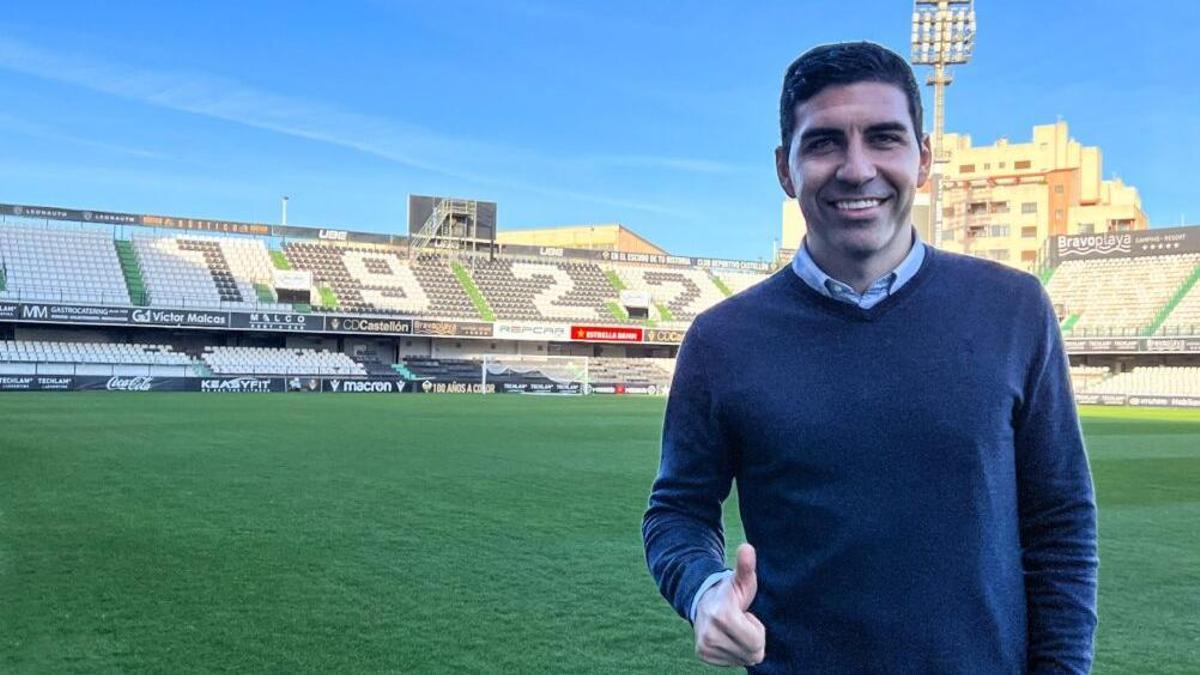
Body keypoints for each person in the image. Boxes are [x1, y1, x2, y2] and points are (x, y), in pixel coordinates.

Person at [642, 41, 1098, 673]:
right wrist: (702, 589)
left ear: (923, 158)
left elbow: (1062, 525)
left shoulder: (1014, 310)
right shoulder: (722, 339)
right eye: (824, 142)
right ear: (785, 168)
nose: (857, 169)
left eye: (884, 138)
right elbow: (677, 511)